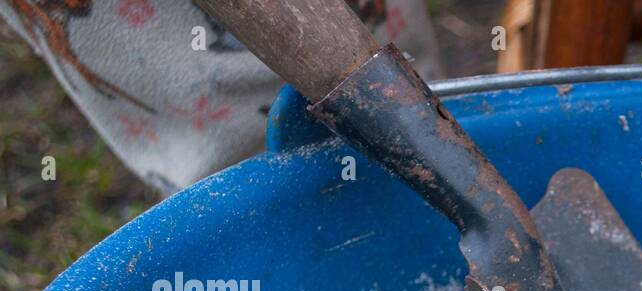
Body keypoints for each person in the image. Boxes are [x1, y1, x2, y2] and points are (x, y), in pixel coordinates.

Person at [1, 0, 441, 193]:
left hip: (388, 72)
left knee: (398, 72)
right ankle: (248, 203)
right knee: (199, 95)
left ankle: (439, 137)